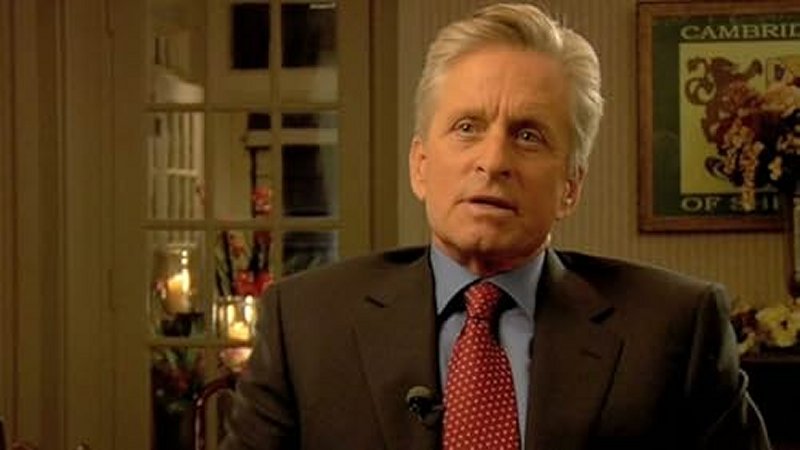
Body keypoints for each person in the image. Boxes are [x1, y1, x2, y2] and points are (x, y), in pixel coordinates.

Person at [221, 3, 771, 449]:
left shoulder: (676, 327)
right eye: (467, 127)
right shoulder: (306, 323)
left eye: (529, 135)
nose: (493, 160)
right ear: (420, 166)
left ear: (570, 186)